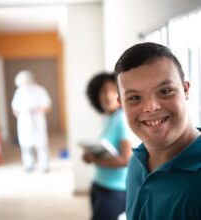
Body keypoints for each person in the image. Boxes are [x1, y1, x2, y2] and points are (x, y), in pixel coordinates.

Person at [114, 42, 201, 220]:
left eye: (165, 91)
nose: (151, 107)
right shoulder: (137, 161)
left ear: (185, 90)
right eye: (135, 98)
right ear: (121, 104)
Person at [83, 72, 135, 220]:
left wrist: (94, 159)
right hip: (99, 183)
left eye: (113, 91)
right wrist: (91, 155)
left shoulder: (122, 120)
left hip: (116, 190)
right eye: (103, 91)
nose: (108, 96)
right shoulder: (107, 118)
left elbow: (126, 160)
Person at [11, 70, 52, 172]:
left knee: (41, 144)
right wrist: (21, 113)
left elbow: (47, 107)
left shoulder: (40, 90)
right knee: (26, 145)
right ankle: (29, 165)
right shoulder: (19, 92)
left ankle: (44, 165)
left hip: (37, 120)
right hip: (24, 121)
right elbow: (14, 109)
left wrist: (35, 110)